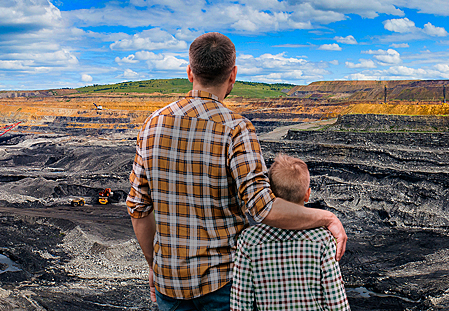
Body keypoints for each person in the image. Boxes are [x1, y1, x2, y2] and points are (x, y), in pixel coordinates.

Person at [127, 32, 347, 311]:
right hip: (223, 285)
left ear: (189, 72)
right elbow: (262, 207)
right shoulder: (236, 129)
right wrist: (326, 217)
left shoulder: (152, 125)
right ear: (233, 75)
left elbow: (138, 208)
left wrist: (153, 265)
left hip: (168, 284)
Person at [231, 153, 350, 310]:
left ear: (270, 194)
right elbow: (336, 303)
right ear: (307, 194)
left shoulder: (249, 240)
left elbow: (241, 302)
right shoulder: (324, 239)